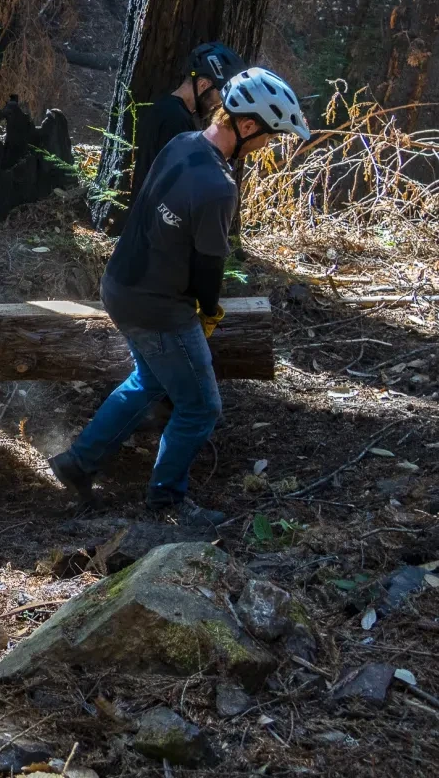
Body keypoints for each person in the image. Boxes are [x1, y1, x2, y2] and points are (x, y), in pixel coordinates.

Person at [50, 68, 310, 525]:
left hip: (120, 285)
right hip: (156, 307)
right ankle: (167, 500)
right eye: (269, 136)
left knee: (149, 382)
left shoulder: (183, 144)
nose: (268, 146)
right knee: (200, 406)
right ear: (248, 126)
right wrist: (208, 313)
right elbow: (207, 270)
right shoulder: (218, 187)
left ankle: (78, 463)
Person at [125, 42, 245, 210]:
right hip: (153, 225)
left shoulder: (166, 108)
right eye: (220, 93)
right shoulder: (176, 119)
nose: (219, 103)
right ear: (203, 84)